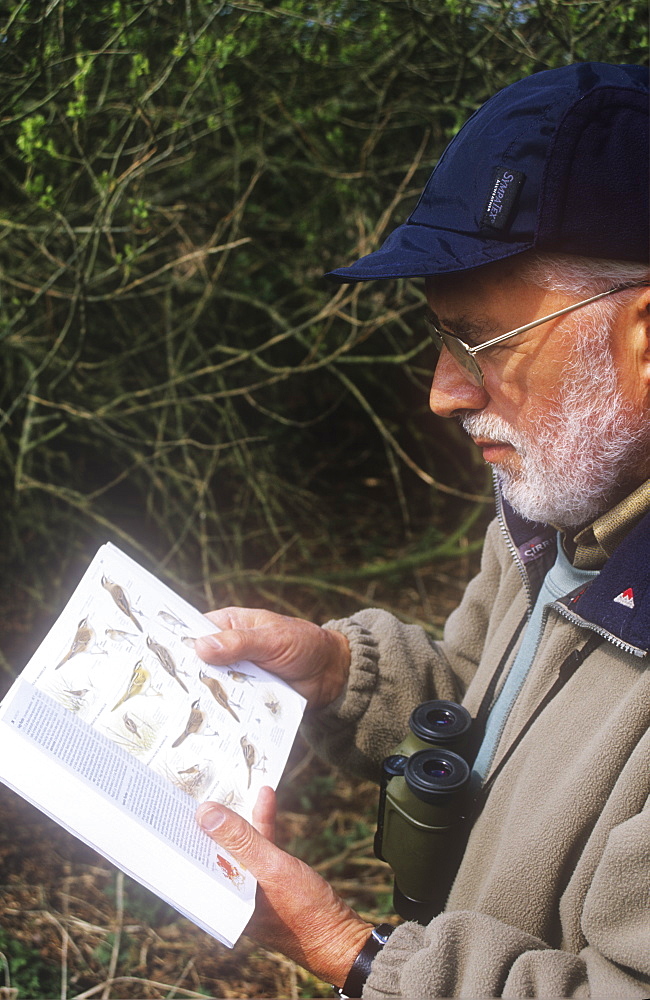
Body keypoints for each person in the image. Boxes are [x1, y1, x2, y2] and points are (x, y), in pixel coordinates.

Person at [194, 62, 650, 998]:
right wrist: (335, 670)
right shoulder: (559, 510)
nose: (444, 392)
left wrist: (354, 955)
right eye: (440, 338)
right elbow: (499, 715)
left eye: (479, 342)